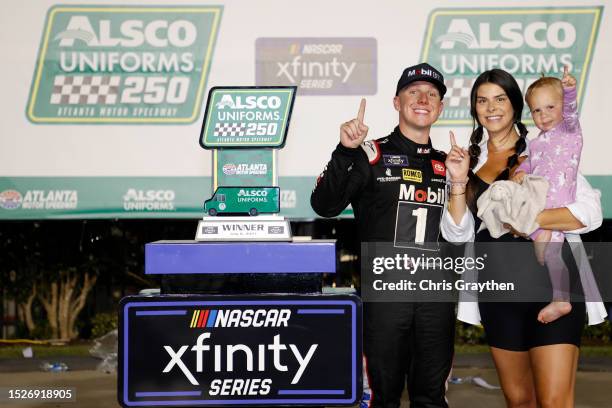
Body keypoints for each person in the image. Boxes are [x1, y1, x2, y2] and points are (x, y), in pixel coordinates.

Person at [442, 68, 605, 408]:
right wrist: (458, 181)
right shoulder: (468, 164)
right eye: (482, 101)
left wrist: (525, 219)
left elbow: (589, 214)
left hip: (553, 289)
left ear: (516, 106)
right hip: (498, 296)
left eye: (500, 98)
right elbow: (456, 232)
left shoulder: (544, 149)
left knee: (554, 402)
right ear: (474, 109)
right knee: (519, 401)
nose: (491, 107)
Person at [311, 63, 453, 408]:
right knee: (382, 398)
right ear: (396, 102)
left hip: (436, 300)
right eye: (413, 92)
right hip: (386, 301)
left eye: (432, 94)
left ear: (441, 107)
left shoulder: (450, 163)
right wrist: (345, 150)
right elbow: (324, 205)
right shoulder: (369, 154)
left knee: (431, 397)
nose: (423, 99)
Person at [511, 66, 582, 323]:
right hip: (540, 203)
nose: (543, 115)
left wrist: (570, 90)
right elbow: (530, 162)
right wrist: (520, 171)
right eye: (537, 110)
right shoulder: (537, 141)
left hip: (559, 203)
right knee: (523, 222)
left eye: (551, 107)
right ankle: (539, 237)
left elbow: (572, 112)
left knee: (552, 254)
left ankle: (561, 300)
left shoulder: (569, 131)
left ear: (563, 106)